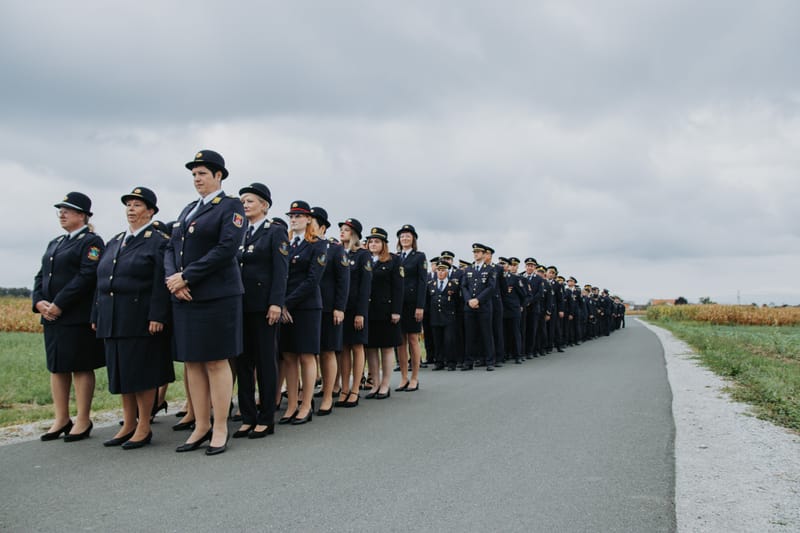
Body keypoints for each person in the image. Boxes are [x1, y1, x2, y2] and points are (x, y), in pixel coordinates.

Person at [165, 150, 245, 456]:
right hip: (185, 295)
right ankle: (200, 425)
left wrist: (188, 277)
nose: (197, 179)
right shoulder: (188, 210)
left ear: (218, 176)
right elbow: (171, 248)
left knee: (215, 360)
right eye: (194, 174)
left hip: (217, 295)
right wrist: (173, 279)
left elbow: (227, 248)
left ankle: (221, 426)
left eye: (202, 173)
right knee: (193, 362)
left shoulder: (230, 206)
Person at [93, 187, 174, 449]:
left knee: (142, 373)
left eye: (137, 205)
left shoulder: (158, 240)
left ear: (150, 211)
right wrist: (97, 312)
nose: (131, 208)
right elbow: (102, 280)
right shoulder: (115, 240)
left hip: (140, 317)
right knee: (121, 374)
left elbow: (161, 283)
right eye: (128, 204)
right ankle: (127, 423)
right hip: (113, 317)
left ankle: (143, 426)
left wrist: (158, 315)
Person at [33, 192, 105, 442]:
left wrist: (60, 303)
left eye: (68, 210)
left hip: (75, 315)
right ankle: (61, 418)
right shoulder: (56, 243)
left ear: (83, 215)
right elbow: (41, 275)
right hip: (52, 317)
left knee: (80, 366)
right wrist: (39, 302)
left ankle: (83, 419)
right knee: (57, 367)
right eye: (60, 210)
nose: (62, 214)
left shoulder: (91, 242)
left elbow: (86, 276)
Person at [233, 183, 288, 440]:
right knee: (243, 363)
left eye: (250, 201)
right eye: (243, 201)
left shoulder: (274, 232)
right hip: (240, 306)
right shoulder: (239, 232)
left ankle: (266, 417)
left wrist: (276, 302)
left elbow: (280, 270)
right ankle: (247, 416)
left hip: (265, 307)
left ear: (264, 205)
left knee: (266, 362)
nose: (245, 204)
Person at [279, 200, 327, 425]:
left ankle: (306, 404)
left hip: (306, 307)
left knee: (306, 356)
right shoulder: (285, 243)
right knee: (288, 356)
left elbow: (311, 280)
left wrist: (287, 303)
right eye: (291, 216)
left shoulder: (317, 244)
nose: (294, 219)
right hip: (285, 308)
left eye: (299, 216)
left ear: (308, 219)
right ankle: (291, 404)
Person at [311, 207, 349, 415]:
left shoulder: (334, 249)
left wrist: (339, 308)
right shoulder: (303, 247)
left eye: (312, 223)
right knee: (308, 353)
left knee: (327, 351)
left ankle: (328, 395)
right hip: (307, 308)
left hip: (328, 308)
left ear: (323, 227)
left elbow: (343, 281)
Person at [335, 218, 371, 408]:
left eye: (347, 230)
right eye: (341, 229)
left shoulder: (362, 255)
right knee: (343, 349)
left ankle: (355, 389)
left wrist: (361, 313)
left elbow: (365, 287)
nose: (342, 232)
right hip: (342, 308)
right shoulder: (338, 252)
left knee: (357, 347)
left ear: (355, 234)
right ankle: (344, 388)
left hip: (356, 308)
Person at [364, 227, 403, 399]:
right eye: (371, 241)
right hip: (368, 311)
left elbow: (398, 288)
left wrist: (396, 311)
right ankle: (375, 384)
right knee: (371, 349)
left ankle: (386, 384)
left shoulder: (394, 260)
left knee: (386, 348)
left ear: (384, 244)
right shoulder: (365, 259)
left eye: (377, 241)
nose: (373, 244)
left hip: (386, 311)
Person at [395, 224, 426, 391]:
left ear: (413, 239)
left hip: (413, 304)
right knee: (400, 341)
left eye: (408, 236)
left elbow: (422, 283)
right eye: (402, 236)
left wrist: (420, 306)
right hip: (398, 305)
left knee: (413, 340)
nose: (405, 238)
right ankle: (404, 377)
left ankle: (414, 377)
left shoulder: (419, 257)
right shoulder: (395, 256)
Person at [461, 243, 496, 371]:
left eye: (478, 252)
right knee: (470, 335)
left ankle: (490, 361)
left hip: (484, 307)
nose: (476, 254)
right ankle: (469, 361)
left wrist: (478, 300)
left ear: (483, 254)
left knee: (486, 334)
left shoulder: (490, 269)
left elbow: (491, 287)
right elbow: (464, 286)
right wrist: (469, 300)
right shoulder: (468, 269)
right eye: (474, 252)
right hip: (470, 307)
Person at [426, 261, 459, 370]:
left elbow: (458, 302)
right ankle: (439, 362)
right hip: (435, 316)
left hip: (449, 316)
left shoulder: (453, 285)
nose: (440, 272)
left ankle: (451, 362)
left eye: (443, 270)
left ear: (447, 271)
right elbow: (427, 301)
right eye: (439, 270)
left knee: (449, 340)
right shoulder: (431, 284)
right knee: (437, 340)